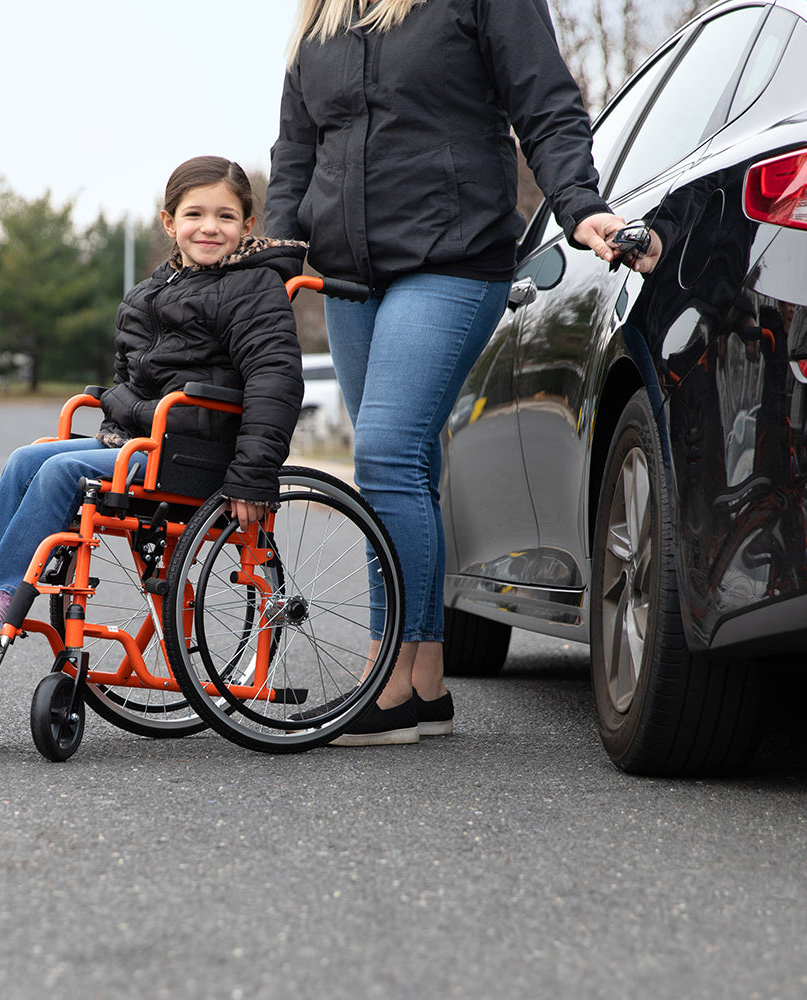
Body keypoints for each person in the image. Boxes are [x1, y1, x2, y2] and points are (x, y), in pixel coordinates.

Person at [266, 0, 655, 746]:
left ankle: (384, 678)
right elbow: (295, 151)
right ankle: (426, 682)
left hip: (452, 255)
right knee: (405, 465)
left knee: (385, 454)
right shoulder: (320, 17)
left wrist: (578, 204)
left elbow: (545, 101)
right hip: (348, 275)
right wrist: (278, 256)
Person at [0, 156, 306, 638]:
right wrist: (120, 419)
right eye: (194, 214)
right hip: (144, 444)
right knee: (25, 459)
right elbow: (129, 374)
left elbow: (275, 379)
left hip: (199, 453)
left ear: (247, 225)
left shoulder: (253, 287)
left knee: (63, 470)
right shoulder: (147, 294)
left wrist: (252, 475)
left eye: (225, 216)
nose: (209, 227)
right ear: (169, 222)